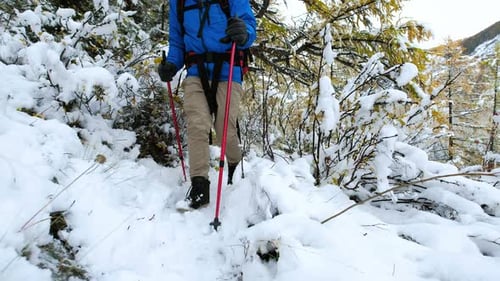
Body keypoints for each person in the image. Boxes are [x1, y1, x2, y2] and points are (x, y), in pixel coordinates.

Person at [157, 0, 257, 209]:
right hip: (196, 70)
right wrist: (172, 65)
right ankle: (199, 185)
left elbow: (248, 25)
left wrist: (244, 34)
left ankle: (235, 169)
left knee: (224, 128)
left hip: (229, 68)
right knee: (197, 124)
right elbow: (177, 42)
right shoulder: (179, 2)